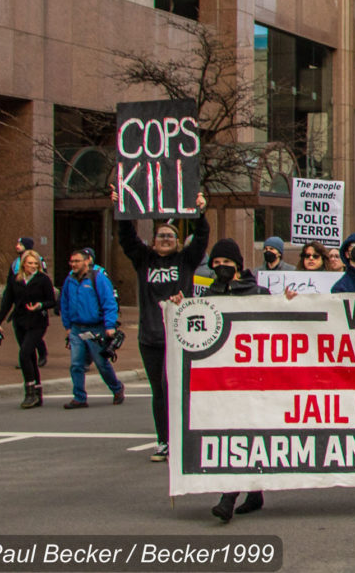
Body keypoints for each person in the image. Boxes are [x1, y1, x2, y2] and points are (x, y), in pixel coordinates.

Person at [112, 187, 209, 461]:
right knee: (160, 391)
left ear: (178, 242)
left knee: (177, 389)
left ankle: (184, 437)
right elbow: (127, 239)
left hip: (181, 337)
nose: (165, 239)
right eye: (161, 236)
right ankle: (164, 440)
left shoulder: (186, 261)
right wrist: (121, 210)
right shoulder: (144, 260)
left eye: (170, 236)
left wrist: (200, 211)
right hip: (151, 338)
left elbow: (202, 238)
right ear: (153, 241)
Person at [199, 238, 270, 522]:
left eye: (226, 263)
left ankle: (228, 497)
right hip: (224, 380)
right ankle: (254, 493)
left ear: (238, 266)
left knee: (242, 434)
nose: (221, 268)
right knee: (235, 435)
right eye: (216, 264)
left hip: (253, 377)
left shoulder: (258, 293)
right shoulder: (209, 295)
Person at [58, 248, 125, 409]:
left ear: (87, 261)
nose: (73, 264)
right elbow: (64, 303)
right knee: (76, 364)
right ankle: (79, 397)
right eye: (72, 261)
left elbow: (109, 302)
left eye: (77, 261)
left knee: (101, 363)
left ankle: (116, 388)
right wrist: (67, 326)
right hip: (76, 329)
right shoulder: (69, 280)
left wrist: (109, 325)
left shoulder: (98, 279)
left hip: (96, 328)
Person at [0, 249, 56, 408]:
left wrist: (40, 305)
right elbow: (7, 302)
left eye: (35, 263)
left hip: (37, 322)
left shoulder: (43, 280)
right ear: (23, 264)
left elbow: (51, 301)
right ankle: (37, 392)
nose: (33, 266)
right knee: (30, 357)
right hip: (20, 322)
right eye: (30, 263)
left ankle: (29, 392)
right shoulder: (15, 280)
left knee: (24, 353)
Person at [5, 237, 48, 367]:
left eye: (20, 244)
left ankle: (41, 354)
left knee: (34, 333)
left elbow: (42, 279)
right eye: (17, 243)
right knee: (23, 334)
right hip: (21, 305)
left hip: (35, 305)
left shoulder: (37, 260)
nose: (17, 246)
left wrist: (41, 304)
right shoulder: (15, 263)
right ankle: (26, 358)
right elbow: (10, 283)